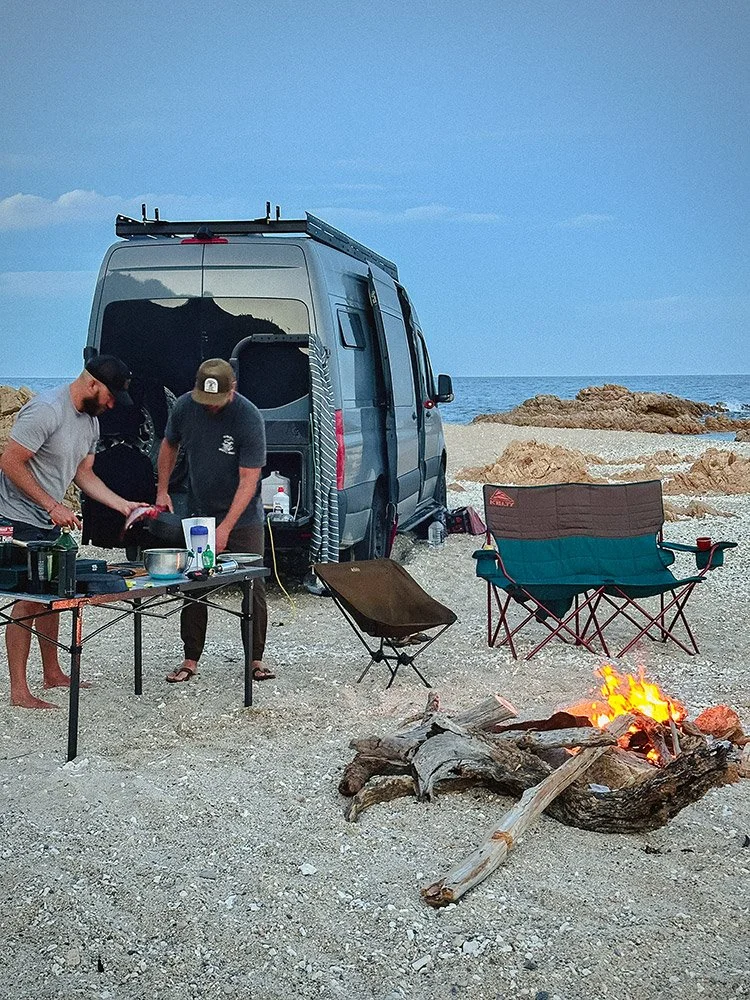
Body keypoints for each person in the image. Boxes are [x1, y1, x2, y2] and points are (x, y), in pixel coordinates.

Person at [0, 355, 149, 709]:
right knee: (27, 602)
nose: (113, 404)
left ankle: (52, 673)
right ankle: (19, 691)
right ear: (93, 384)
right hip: (16, 519)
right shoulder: (46, 410)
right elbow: (9, 462)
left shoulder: (91, 423)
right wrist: (53, 505)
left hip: (48, 522)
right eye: (111, 396)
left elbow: (85, 475)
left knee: (53, 595)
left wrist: (122, 505)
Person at [155, 358, 273, 683]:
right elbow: (169, 444)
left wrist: (226, 527)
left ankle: (255, 659)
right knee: (195, 582)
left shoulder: (248, 417)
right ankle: (190, 658)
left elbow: (249, 479)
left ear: (232, 390)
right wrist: (162, 489)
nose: (209, 408)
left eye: (216, 402)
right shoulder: (184, 406)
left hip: (242, 515)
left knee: (253, 584)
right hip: (199, 511)